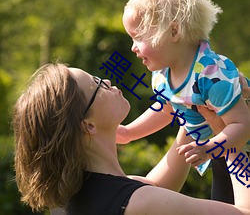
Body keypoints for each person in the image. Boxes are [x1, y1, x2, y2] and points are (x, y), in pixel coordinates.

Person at [13, 63, 250, 215]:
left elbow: (156, 186)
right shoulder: (138, 203)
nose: (106, 81)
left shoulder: (72, 199)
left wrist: (191, 100)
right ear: (88, 125)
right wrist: (229, 137)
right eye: (97, 85)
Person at [119, 0, 250, 204]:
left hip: (239, 152)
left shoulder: (210, 74)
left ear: (173, 32)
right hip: (222, 154)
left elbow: (242, 125)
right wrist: (130, 132)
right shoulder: (162, 74)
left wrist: (209, 147)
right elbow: (168, 107)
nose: (133, 47)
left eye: (138, 37)